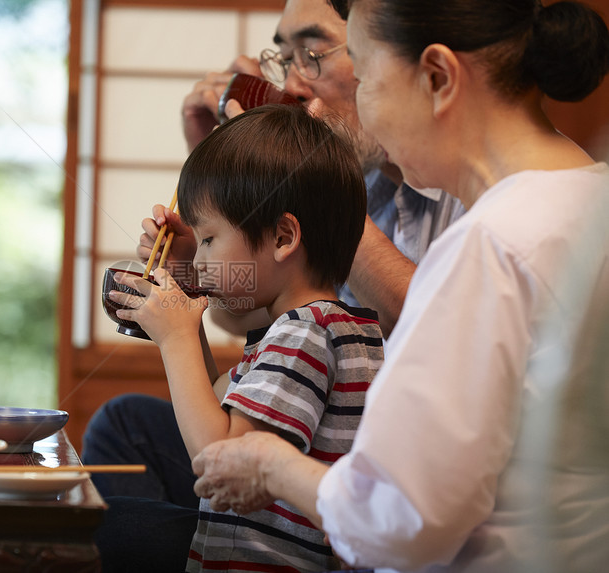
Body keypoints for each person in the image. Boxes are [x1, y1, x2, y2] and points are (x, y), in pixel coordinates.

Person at [191, 1, 609, 571]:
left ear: (437, 77)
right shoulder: (590, 198)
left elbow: (399, 519)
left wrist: (270, 465)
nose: (359, 105)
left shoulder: (490, 244)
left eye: (364, 75)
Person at [82, 0, 463, 509]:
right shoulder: (303, 318)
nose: (295, 84)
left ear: (386, 53)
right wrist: (195, 276)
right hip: (283, 474)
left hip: (360, 492)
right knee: (123, 423)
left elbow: (222, 452)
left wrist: (301, 179)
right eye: (285, 60)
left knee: (113, 527)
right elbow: (242, 330)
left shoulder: (313, 324)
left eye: (313, 53)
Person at [106, 104, 384, 572]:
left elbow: (219, 456)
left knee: (106, 526)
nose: (200, 260)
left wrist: (175, 341)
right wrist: (186, 319)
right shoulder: (331, 325)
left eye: (210, 239)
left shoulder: (306, 332)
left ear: (282, 237)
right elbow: (219, 405)